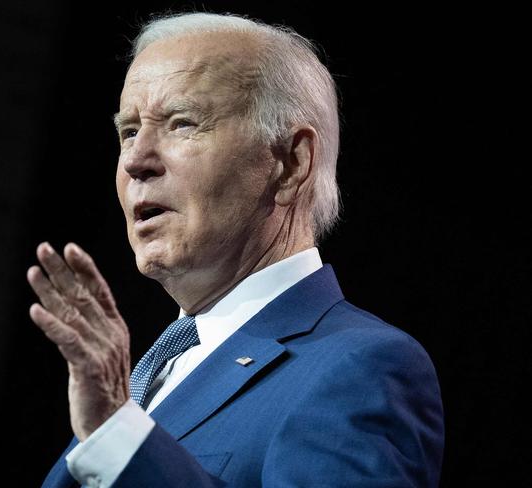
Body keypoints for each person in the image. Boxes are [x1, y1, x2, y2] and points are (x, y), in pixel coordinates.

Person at [27, 12, 444, 488]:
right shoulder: (147, 374)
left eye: (182, 124)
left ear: (290, 164)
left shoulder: (360, 368)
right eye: (128, 131)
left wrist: (119, 436)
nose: (135, 161)